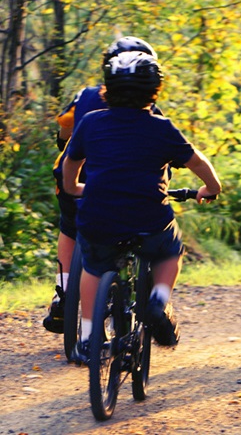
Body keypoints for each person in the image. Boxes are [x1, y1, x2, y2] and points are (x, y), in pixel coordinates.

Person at [62, 51, 222, 364]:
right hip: (149, 219)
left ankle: (89, 335)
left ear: (107, 88)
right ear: (154, 91)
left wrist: (73, 189)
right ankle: (159, 302)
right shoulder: (161, 128)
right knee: (170, 249)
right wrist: (211, 189)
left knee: (93, 266)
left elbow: (71, 163)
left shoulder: (91, 123)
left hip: (99, 218)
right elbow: (197, 162)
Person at [43, 37, 161, 334]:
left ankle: (63, 293)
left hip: (78, 182)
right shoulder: (151, 110)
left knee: (70, 228)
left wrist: (63, 141)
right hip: (129, 191)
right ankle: (148, 292)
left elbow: (64, 125)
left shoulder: (85, 96)